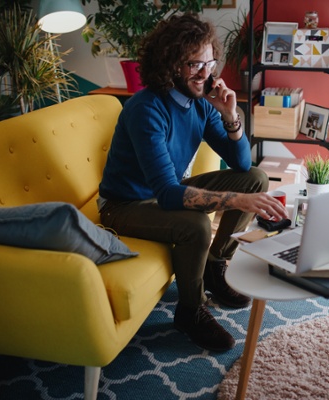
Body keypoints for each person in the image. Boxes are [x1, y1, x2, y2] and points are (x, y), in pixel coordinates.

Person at [97, 13, 289, 352]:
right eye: (194, 64)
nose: (206, 73)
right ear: (170, 64)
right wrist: (235, 201)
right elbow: (169, 195)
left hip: (163, 193)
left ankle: (216, 265)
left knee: (255, 179)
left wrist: (231, 116)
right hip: (124, 206)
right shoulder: (147, 109)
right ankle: (190, 310)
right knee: (197, 225)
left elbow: (242, 164)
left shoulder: (201, 101)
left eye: (210, 62)